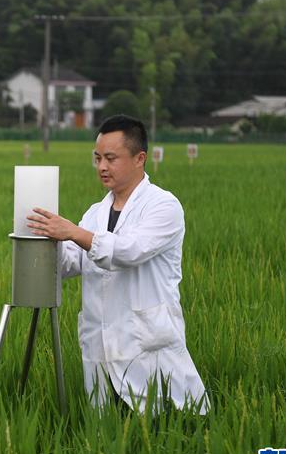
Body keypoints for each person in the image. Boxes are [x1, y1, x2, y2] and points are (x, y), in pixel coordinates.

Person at [26, 114, 209, 414]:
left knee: (162, 421)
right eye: (97, 158)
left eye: (111, 158)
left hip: (144, 340)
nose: (102, 166)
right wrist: (45, 239)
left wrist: (72, 232)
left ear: (140, 158)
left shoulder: (163, 206)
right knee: (105, 428)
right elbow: (72, 262)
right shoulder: (95, 213)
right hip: (99, 341)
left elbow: (129, 251)